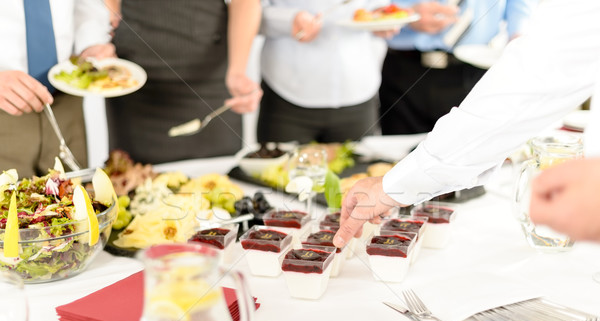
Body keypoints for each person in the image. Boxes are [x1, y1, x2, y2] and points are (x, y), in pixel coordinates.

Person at [332, 0, 600, 248]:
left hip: (471, 70)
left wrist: (395, 185)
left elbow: (534, 79)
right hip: (407, 68)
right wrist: (397, 185)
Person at [103, 0, 262, 165]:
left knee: (217, 181)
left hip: (208, 84)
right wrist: (103, 25)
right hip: (133, 84)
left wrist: (237, 72)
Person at [379, 0, 537, 135]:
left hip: (475, 69)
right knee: (395, 163)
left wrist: (519, 33)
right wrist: (404, 13)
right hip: (404, 71)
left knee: (470, 158)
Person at [0, 0, 114, 177]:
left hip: (67, 101)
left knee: (76, 197)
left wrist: (91, 42)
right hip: (5, 112)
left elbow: (87, 4)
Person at [257, 0, 395, 144]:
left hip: (358, 90)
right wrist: (288, 20)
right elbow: (245, 12)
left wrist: (380, 17)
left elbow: (374, 5)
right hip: (287, 93)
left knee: (361, 166)